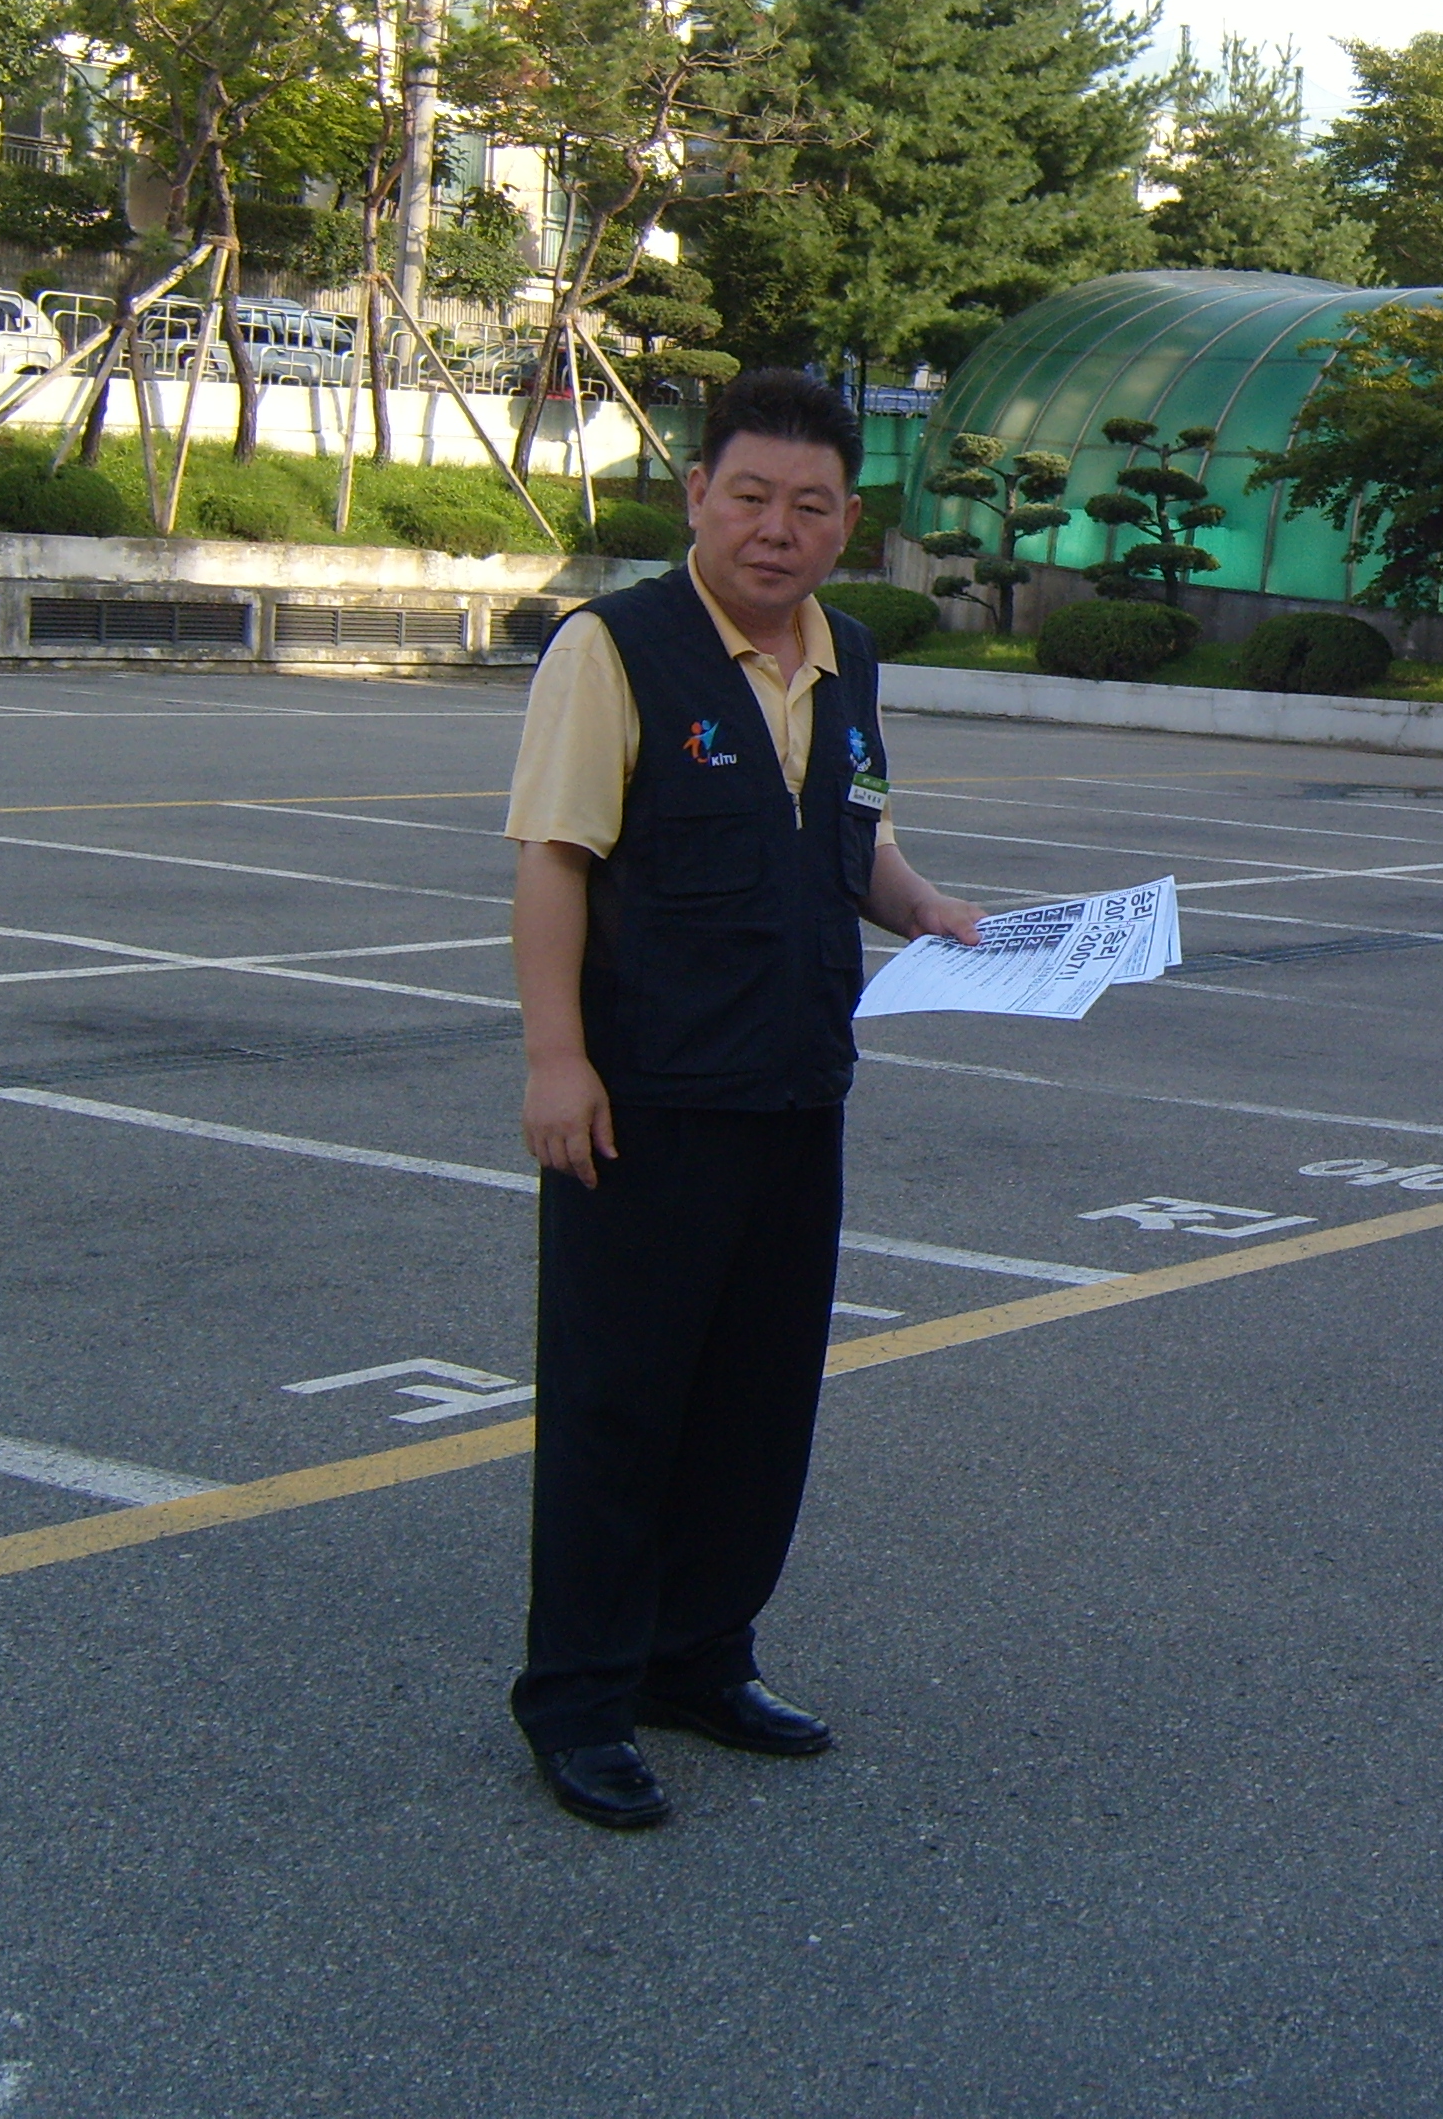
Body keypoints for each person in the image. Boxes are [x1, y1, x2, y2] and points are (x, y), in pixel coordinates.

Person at [501, 367, 985, 1830]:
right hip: (646, 1098)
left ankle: (700, 1657)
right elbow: (554, 860)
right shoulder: (613, 649)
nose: (778, 529)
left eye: (812, 505)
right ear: (699, 495)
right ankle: (581, 1698)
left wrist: (929, 909)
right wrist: (556, 1059)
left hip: (795, 1085)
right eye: (752, 497)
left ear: (850, 522)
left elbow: (853, 837)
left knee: (757, 1403)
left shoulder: (849, 657)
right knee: (621, 1408)